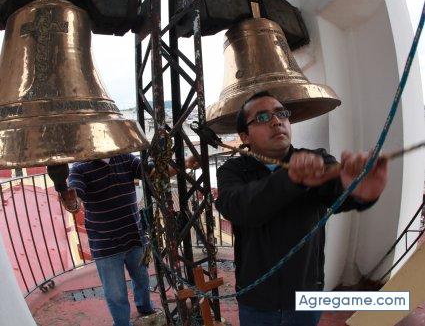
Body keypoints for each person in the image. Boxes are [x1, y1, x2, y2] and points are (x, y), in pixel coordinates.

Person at [215, 91, 388, 326]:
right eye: (263, 118)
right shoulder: (233, 171)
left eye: (281, 114)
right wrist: (290, 179)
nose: (277, 121)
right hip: (257, 300)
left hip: (307, 296)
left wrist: (360, 191)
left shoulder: (316, 160)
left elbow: (339, 193)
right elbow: (239, 207)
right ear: (245, 136)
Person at [58, 153, 198, 326]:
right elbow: (75, 201)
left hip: (133, 236)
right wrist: (70, 201)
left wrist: (185, 163)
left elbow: (154, 173)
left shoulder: (125, 158)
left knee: (142, 279)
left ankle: (145, 308)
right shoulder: (79, 168)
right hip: (105, 244)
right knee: (115, 293)